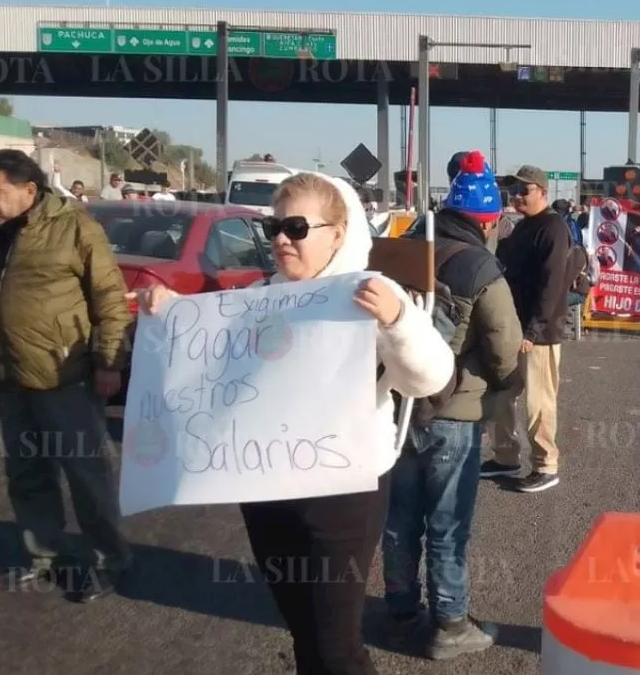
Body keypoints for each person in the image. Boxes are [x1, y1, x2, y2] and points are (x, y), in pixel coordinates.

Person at [132, 172, 454, 675]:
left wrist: (397, 320)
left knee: (336, 645)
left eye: (297, 227)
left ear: (338, 232)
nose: (282, 238)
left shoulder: (370, 292)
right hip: (265, 485)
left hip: (342, 489)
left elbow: (429, 378)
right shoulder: (261, 294)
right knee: (302, 629)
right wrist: (168, 312)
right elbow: (210, 354)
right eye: (274, 227)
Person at [0, 149, 133, 602]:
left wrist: (108, 363)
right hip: (10, 378)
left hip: (68, 377)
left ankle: (109, 560)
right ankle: (45, 555)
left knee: (86, 477)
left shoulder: (74, 229)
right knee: (25, 474)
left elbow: (110, 299)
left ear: (28, 191)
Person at [382, 152, 523, 659]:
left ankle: (399, 613)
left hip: (395, 408)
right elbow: (505, 346)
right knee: (447, 523)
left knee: (398, 520)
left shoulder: (399, 247)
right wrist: (510, 386)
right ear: (486, 219)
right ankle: (450, 622)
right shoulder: (480, 265)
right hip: (453, 414)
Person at [481, 165, 572, 493]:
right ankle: (506, 456)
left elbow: (552, 285)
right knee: (502, 395)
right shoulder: (521, 228)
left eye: (525, 190)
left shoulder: (553, 228)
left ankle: (545, 465)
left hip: (538, 335)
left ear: (543, 193)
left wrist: (533, 332)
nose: (517, 196)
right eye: (514, 191)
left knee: (538, 402)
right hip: (512, 328)